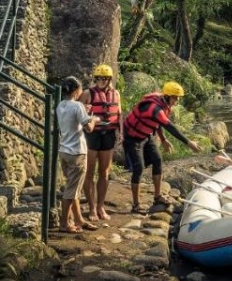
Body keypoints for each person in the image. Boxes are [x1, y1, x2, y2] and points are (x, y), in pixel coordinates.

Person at [122, 81, 203, 214]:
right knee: (138, 168)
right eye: (175, 97)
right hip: (133, 138)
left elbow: (157, 124)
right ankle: (136, 205)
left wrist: (163, 139)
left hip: (146, 135)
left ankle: (157, 197)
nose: (177, 101)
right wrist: (189, 142)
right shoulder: (155, 108)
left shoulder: (163, 104)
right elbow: (170, 126)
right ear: (167, 95)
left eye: (178, 98)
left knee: (158, 161)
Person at [56, 76, 99, 233]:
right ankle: (64, 223)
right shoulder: (78, 106)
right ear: (77, 90)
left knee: (73, 187)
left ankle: (79, 219)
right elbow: (89, 129)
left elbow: (72, 119)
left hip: (64, 151)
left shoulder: (61, 105)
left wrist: (84, 113)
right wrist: (94, 119)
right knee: (71, 190)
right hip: (77, 152)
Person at [83, 63, 122, 222]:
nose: (101, 81)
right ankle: (92, 207)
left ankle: (100, 206)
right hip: (92, 135)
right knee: (89, 172)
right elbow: (78, 114)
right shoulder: (87, 93)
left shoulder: (116, 94)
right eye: (98, 78)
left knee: (104, 172)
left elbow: (119, 113)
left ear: (109, 79)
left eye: (104, 78)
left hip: (109, 134)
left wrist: (122, 133)